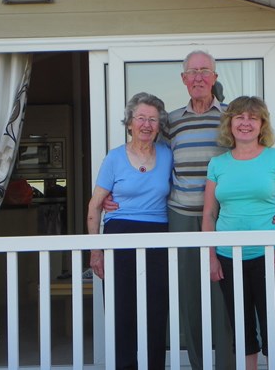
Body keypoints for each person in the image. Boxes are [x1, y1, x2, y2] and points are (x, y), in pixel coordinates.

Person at [104, 50, 275, 369]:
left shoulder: (232, 118)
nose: (199, 77)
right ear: (184, 79)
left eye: (205, 71)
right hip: (180, 216)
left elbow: (258, 160)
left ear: (215, 78)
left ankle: (229, 364)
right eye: (193, 72)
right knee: (190, 297)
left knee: (226, 297)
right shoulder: (171, 122)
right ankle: (200, 363)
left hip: (224, 219)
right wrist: (114, 192)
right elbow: (145, 154)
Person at [202, 96, 275, 370]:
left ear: (262, 125)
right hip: (227, 257)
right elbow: (209, 213)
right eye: (239, 117)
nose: (245, 123)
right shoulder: (218, 164)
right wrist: (211, 257)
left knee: (272, 323)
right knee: (241, 327)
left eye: (253, 118)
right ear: (230, 123)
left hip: (270, 256)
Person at [87, 92, 173, 370]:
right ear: (129, 123)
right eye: (141, 118)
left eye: (152, 119)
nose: (146, 124)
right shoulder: (114, 158)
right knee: (120, 309)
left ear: (159, 125)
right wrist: (95, 251)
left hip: (158, 237)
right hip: (119, 236)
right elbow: (95, 206)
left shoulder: (168, 155)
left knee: (156, 310)